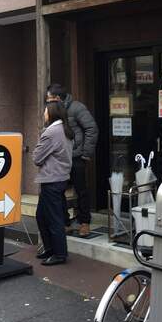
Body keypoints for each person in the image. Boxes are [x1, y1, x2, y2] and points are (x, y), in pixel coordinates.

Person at [46, 84, 99, 237]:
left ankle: (85, 222)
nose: (47, 101)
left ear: (57, 98)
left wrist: (86, 153)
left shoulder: (77, 107)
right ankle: (65, 222)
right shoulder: (52, 110)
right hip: (60, 157)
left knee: (81, 190)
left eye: (49, 98)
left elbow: (92, 129)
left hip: (76, 156)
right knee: (59, 190)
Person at [33, 101, 74, 266]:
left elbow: (37, 158)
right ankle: (50, 249)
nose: (43, 114)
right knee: (42, 215)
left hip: (51, 180)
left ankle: (59, 254)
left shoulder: (51, 132)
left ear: (51, 113)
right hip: (61, 178)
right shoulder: (65, 129)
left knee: (53, 218)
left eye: (45, 111)